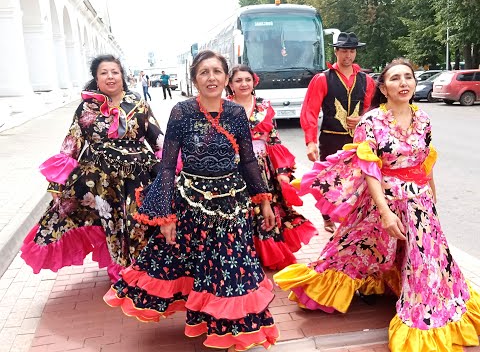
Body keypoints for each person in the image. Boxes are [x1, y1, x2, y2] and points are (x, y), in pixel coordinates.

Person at [273, 58, 480, 351]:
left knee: (426, 261)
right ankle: (327, 288)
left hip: (419, 201)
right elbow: (370, 168)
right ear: (383, 87)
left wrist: (433, 197)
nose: (404, 83)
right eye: (395, 78)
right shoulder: (372, 121)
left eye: (408, 77)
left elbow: (425, 162)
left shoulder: (423, 119)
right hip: (382, 197)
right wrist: (383, 211)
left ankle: (426, 312)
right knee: (353, 245)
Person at [104, 50, 279, 351]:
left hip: (233, 203)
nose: (211, 78)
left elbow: (248, 160)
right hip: (191, 202)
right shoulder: (182, 112)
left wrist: (263, 199)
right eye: (204, 72)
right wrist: (165, 216)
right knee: (200, 263)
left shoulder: (236, 113)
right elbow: (169, 165)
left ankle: (231, 329)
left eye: (217, 72)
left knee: (232, 263)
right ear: (194, 78)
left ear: (226, 78)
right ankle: (210, 319)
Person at [20, 54, 164, 282]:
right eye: (104, 73)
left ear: (122, 76)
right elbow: (72, 142)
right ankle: (119, 269)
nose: (110, 77)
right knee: (113, 223)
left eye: (115, 72)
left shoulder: (138, 103)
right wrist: (57, 182)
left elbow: (155, 136)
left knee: (136, 222)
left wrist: (169, 165)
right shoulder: (86, 108)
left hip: (138, 176)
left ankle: (139, 267)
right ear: (96, 79)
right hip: (99, 179)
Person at [226, 64, 317, 270]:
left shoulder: (263, 105)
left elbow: (274, 139)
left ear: (254, 82)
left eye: (247, 80)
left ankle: (266, 252)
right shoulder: (224, 107)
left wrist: (282, 171)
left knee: (266, 207)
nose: (243, 84)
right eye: (238, 80)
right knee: (239, 208)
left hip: (261, 166)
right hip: (233, 167)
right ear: (230, 84)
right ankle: (243, 253)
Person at [300, 32, 375, 233]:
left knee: (356, 181)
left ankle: (351, 218)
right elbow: (310, 110)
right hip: (330, 138)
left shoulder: (366, 80)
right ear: (336, 52)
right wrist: (310, 141)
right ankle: (327, 217)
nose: (348, 55)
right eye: (344, 51)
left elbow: (371, 110)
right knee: (329, 179)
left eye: (351, 51)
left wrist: (361, 119)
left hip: (357, 141)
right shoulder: (323, 79)